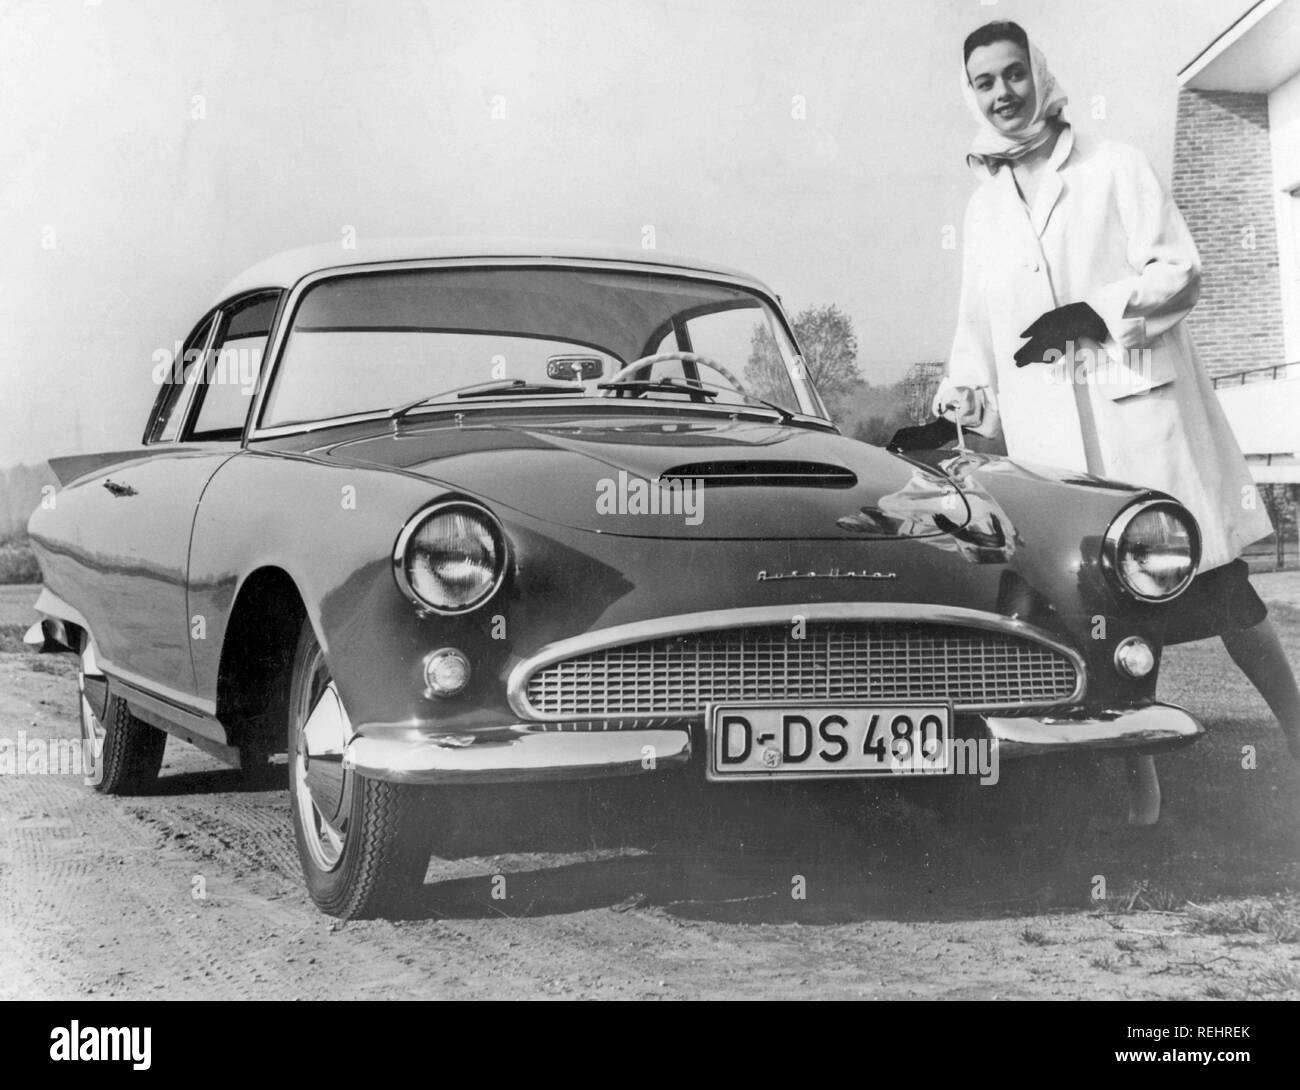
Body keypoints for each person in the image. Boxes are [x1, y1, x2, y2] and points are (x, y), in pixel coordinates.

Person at [934, 19, 1300, 760]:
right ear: (970, 95)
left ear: (1038, 72)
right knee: (1096, 610)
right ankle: (1140, 787)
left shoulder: (1113, 165)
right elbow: (977, 328)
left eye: (1013, 74)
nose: (1004, 93)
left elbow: (1179, 271)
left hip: (1142, 423)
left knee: (1222, 594)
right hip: (1054, 446)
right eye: (985, 82)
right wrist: (964, 389)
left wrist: (1094, 313)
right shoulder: (984, 208)